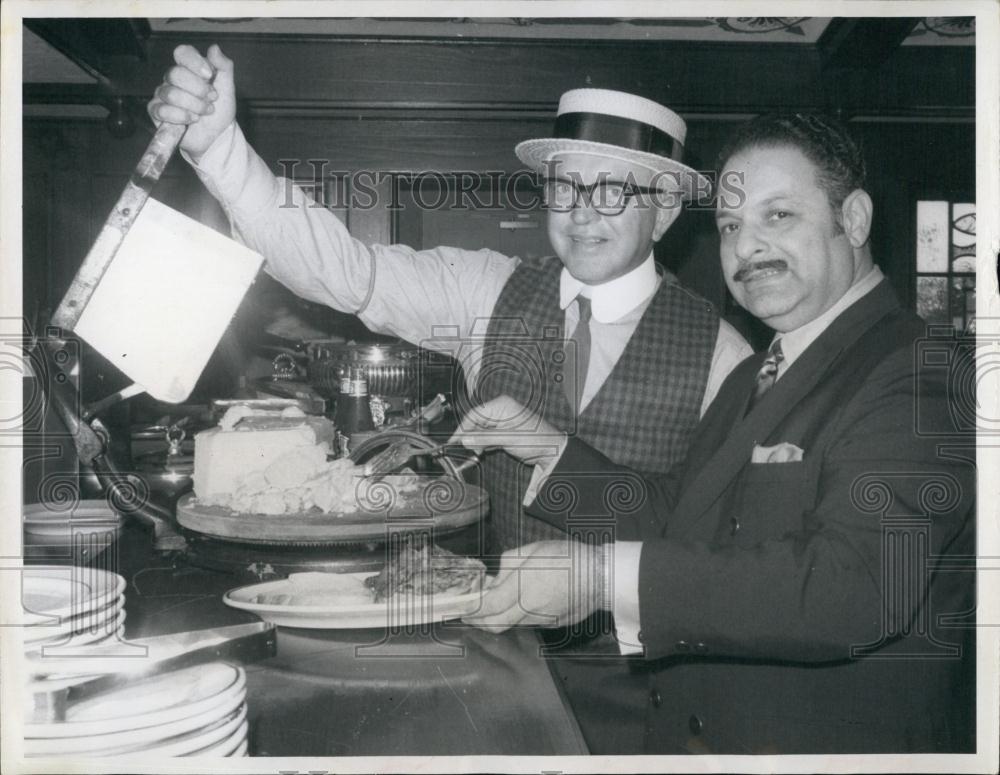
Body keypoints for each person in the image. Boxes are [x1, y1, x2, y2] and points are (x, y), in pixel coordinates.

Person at [453, 114, 976, 753]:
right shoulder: (756, 372)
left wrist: (597, 577)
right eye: (730, 226)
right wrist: (552, 452)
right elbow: (684, 513)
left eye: (777, 216)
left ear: (856, 219)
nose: (746, 247)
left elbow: (855, 588)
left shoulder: (923, 371)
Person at [147, 44, 751, 556]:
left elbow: (713, 539)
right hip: (504, 645)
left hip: (637, 678)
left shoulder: (724, 355)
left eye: (615, 189)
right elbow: (346, 271)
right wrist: (221, 150)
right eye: (566, 184)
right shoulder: (485, 289)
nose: (583, 211)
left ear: (666, 211)